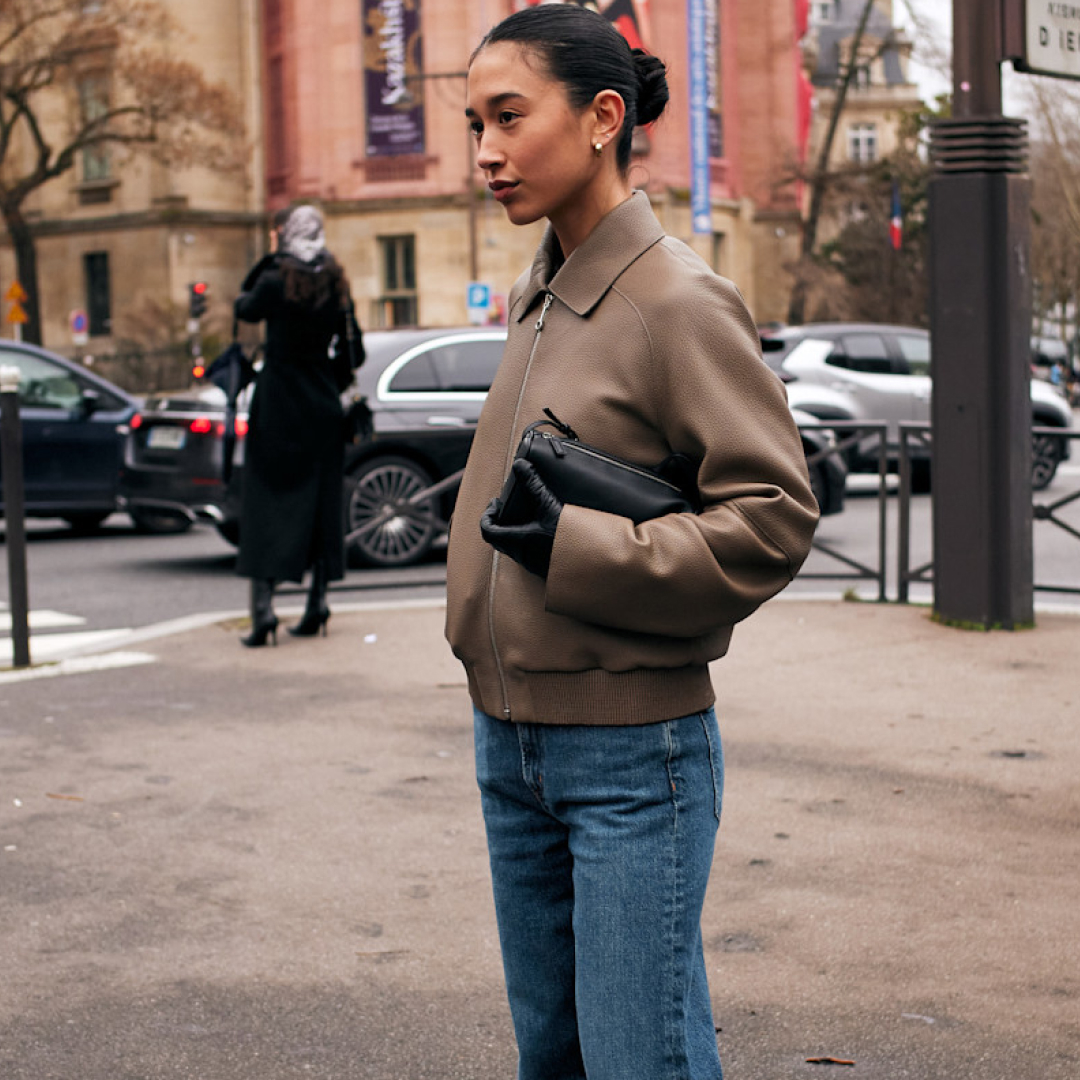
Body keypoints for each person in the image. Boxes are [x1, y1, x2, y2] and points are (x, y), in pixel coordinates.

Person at [444, 6, 820, 1079]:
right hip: (508, 739)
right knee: (558, 1056)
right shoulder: (543, 293)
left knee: (638, 1058)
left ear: (603, 117)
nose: (486, 152)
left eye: (509, 117)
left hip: (627, 754)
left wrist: (578, 552)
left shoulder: (674, 298)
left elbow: (773, 519)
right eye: (476, 122)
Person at [234, 204, 363, 647]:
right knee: (320, 505)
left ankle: (263, 611)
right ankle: (317, 603)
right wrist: (333, 382)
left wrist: (270, 259)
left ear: (286, 235)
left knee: (267, 503)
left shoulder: (274, 279)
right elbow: (354, 351)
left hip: (277, 406)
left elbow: (243, 306)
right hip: (322, 405)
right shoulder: (335, 280)